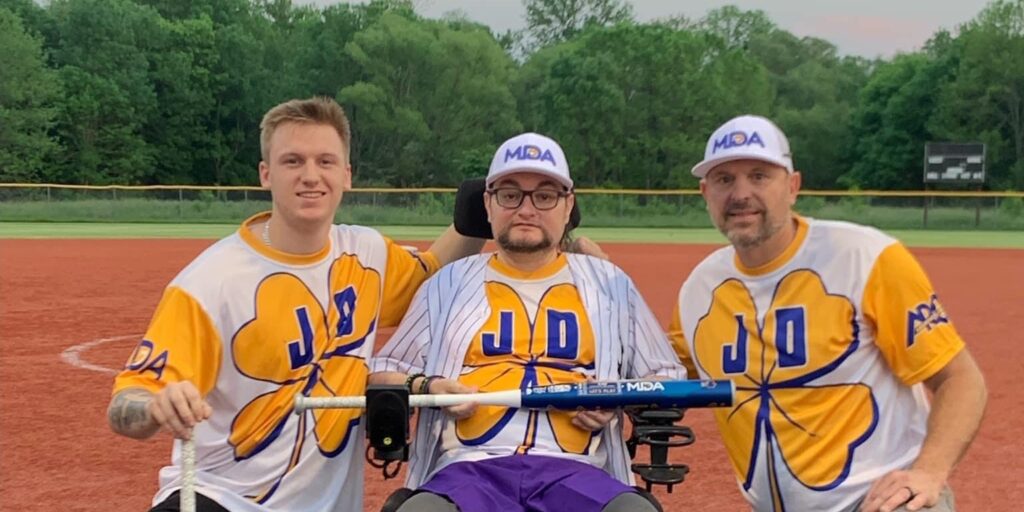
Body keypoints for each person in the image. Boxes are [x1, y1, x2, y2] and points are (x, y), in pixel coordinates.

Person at [106, 97, 486, 512]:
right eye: (292, 161)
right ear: (266, 175)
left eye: (325, 161)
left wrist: (484, 207)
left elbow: (431, 271)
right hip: (221, 497)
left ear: (347, 175)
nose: (310, 176)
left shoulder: (367, 255)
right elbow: (127, 403)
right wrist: (156, 406)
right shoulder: (210, 282)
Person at [669, 115, 988, 512]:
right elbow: (664, 378)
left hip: (881, 503)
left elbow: (961, 379)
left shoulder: (865, 258)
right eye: (724, 180)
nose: (741, 194)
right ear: (705, 193)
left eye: (759, 176)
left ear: (793, 186)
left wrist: (929, 472)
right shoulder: (700, 289)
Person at [369, 132, 686, 512]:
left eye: (545, 195)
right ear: (488, 204)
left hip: (580, 471)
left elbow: (666, 376)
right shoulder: (446, 285)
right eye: (510, 194)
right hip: (467, 471)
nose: (526, 208)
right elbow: (384, 370)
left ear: (568, 206)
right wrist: (430, 384)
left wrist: (617, 395)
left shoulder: (610, 284)